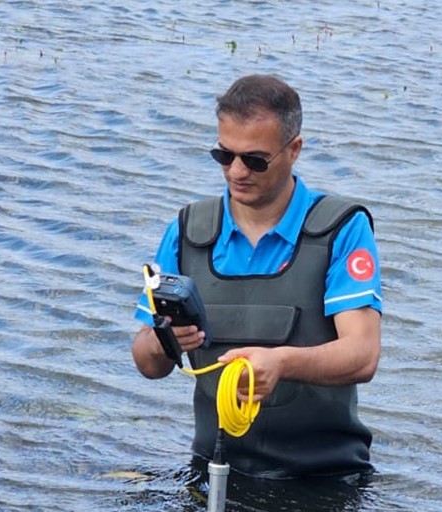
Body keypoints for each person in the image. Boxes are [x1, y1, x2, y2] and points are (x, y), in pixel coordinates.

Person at [132, 74, 382, 479]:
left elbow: (363, 354)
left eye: (254, 159)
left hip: (325, 474)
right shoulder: (188, 229)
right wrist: (164, 341)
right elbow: (146, 362)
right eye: (224, 156)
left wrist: (282, 363)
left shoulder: (342, 229)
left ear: (294, 149)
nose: (236, 172)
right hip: (211, 467)